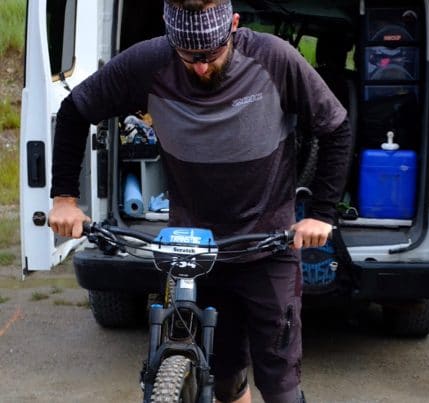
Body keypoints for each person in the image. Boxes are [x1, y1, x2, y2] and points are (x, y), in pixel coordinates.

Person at [48, 0, 352, 402]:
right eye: (189, 56)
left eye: (211, 54)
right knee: (223, 379)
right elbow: (74, 110)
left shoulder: (274, 59)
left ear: (234, 25)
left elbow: (336, 126)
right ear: (170, 38)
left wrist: (322, 215)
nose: (202, 67)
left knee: (280, 387)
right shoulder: (149, 63)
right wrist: (64, 198)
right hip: (196, 248)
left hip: (268, 246)